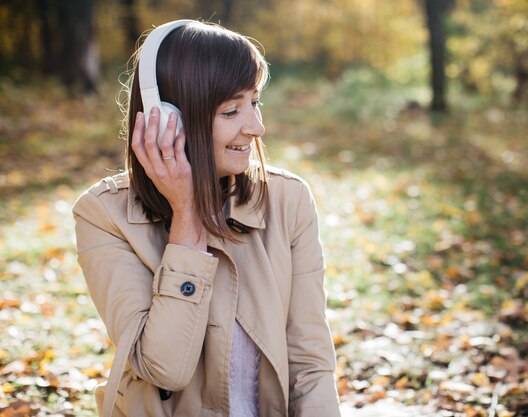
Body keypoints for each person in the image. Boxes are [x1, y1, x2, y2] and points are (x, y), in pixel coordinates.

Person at [73, 19, 341, 417]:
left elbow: (311, 363)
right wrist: (188, 214)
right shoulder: (103, 214)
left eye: (256, 102)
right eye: (232, 110)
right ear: (169, 119)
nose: (256, 127)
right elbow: (165, 369)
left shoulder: (289, 200)